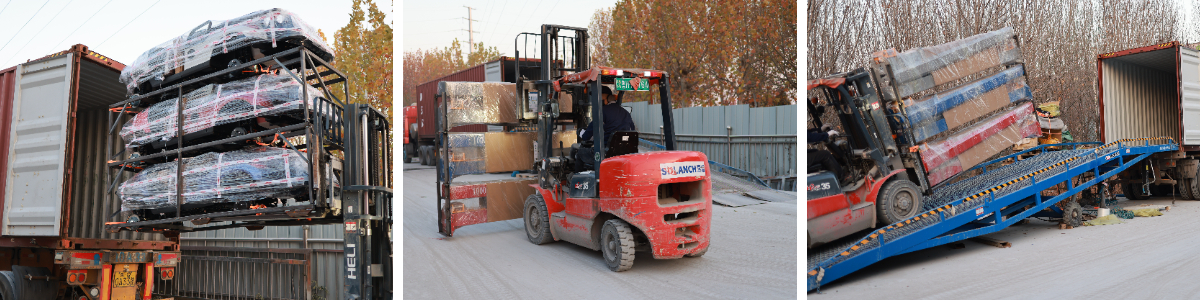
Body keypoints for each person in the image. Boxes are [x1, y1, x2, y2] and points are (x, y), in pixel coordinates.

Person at [576, 86, 635, 170]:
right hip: (625, 152)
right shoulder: (625, 112)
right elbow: (632, 130)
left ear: (606, 99)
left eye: (599, 99)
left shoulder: (601, 112)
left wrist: (581, 133)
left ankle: (577, 180)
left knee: (580, 153)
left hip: (606, 153)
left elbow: (586, 136)